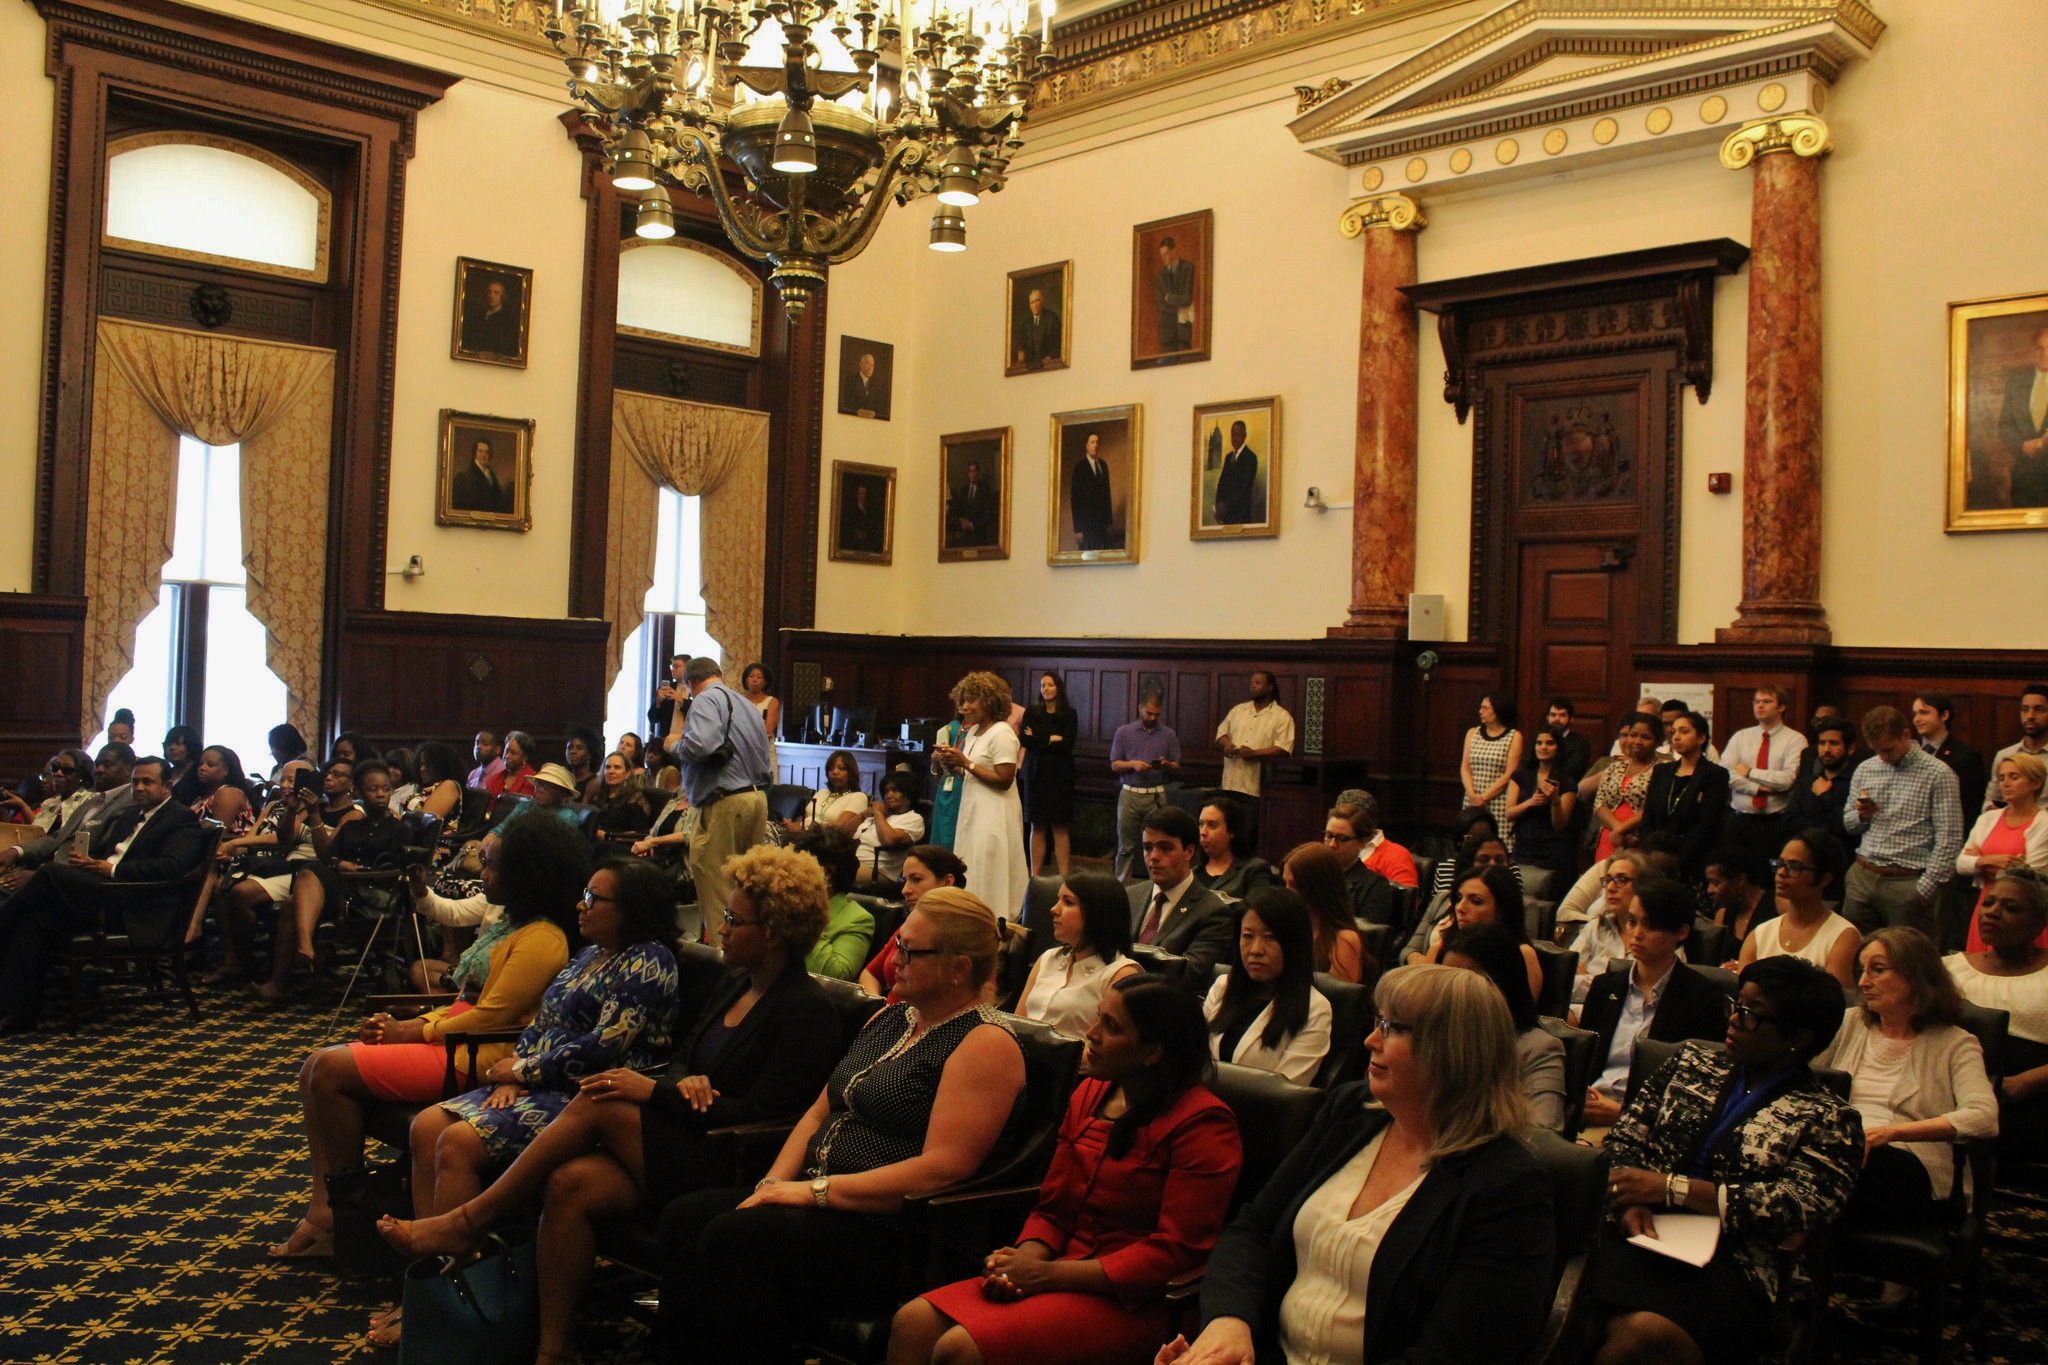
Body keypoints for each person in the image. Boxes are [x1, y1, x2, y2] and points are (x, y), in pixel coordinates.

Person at [378, 844, 843, 1364]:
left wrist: (663, 1091)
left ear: (775, 932)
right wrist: (685, 1082)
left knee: (601, 1096)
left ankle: (469, 1221)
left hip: (731, 1160)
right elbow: (684, 1058)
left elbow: (769, 1116)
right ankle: (553, 1348)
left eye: (736, 918)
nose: (724, 927)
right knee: (569, 1184)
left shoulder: (807, 1010)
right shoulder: (737, 982)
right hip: (682, 1133)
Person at [658, 889, 1028, 1365]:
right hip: (825, 1204)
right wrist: (774, 1182)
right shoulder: (894, 1018)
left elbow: (942, 1169)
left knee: (737, 1240)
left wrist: (808, 1193)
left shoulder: (985, 1043)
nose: (894, 963)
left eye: (909, 952)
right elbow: (818, 1111)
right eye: (897, 945)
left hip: (894, 1231)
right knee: (684, 1219)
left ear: (959, 968)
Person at [1164, 963, 1554, 1365]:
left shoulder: (1508, 1188)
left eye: (1393, 1028)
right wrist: (1229, 1324)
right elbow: (1253, 1231)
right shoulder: (1352, 1112)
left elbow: (1453, 1354)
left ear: (1455, 1050)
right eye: (1378, 1021)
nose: (1370, 1040)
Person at [267, 814, 582, 1261]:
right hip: (457, 1036)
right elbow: (464, 999)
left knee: (329, 1068)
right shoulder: (508, 924)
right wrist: (414, 1024)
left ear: (524, 875)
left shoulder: (543, 937)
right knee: (317, 1067)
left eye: (492, 866)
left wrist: (413, 1030)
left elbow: (492, 1017)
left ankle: (338, 1218)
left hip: (477, 1054)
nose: (482, 873)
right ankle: (330, 1211)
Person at [897, 976, 1240, 1365]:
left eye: (1110, 1027)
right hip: (1060, 1270)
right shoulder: (1091, 1092)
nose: (1090, 1034)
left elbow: (1175, 1252)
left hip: (1137, 1301)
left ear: (1153, 1051)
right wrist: (1019, 1266)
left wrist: (1044, 1276)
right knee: (913, 1323)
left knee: (960, 1349)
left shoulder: (1204, 1124)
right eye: (1098, 1019)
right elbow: (1053, 1208)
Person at [1587, 957, 1862, 1365]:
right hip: (1638, 1231)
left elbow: (1798, 1203)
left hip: (1736, 1266)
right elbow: (1626, 1137)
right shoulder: (1689, 1064)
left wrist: (1674, 1189)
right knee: (1566, 1304)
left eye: (1752, 1015)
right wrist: (1630, 1200)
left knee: (1640, 1336)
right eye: (1736, 1005)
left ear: (1799, 1037)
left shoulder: (1829, 1118)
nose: (1734, 1020)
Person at [402, 859, 681, 1258]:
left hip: (589, 1097)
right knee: (426, 1127)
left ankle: (460, 1290)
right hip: (541, 1081)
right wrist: (514, 1072)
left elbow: (605, 1045)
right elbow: (542, 1021)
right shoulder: (589, 954)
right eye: (584, 895)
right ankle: (430, 1283)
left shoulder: (650, 960)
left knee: (456, 1143)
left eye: (593, 898)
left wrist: (525, 1069)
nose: (581, 906)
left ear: (628, 908)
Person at [0, 757, 206, 1031]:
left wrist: (109, 870)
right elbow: (105, 852)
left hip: (135, 904)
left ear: (167, 785)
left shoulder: (180, 818)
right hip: (104, 892)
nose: (140, 788)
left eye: (147, 782)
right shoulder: (131, 815)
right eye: (135, 782)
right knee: (34, 917)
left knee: (50, 873)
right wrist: (87, 862)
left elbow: (172, 867)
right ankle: (17, 1013)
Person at [1814, 927, 1999, 1231]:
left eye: (1878, 970)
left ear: (1916, 976)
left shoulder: (1956, 1043)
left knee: (1868, 1160)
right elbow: (1806, 1082)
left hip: (1910, 1169)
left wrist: (1889, 1133)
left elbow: (1984, 1118)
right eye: (1862, 970)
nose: (1862, 982)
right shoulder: (1850, 1024)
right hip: (1839, 1152)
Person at [1577, 880, 1732, 1131]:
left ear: (1680, 932)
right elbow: (1584, 1062)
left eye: (1649, 925)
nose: (1636, 934)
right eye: (1632, 922)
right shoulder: (1605, 987)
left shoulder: (1703, 997)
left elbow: (1696, 1093)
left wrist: (1624, 1114)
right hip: (1588, 1110)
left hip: (1648, 1124)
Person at [1947, 867, 2048, 1168]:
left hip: (2034, 1098)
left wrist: (2026, 1082)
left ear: (2038, 924)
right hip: (1960, 1093)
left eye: (2011, 907)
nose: (1992, 912)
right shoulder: (1949, 970)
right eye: (1988, 903)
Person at [1843, 706, 1966, 940]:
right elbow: (1849, 824)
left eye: (1889, 749)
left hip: (1908, 880)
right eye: (1877, 751)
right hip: (1863, 874)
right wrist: (1861, 815)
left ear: (1906, 735)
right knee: (1858, 955)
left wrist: (1925, 889)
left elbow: (1950, 839)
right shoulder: (1867, 768)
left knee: (1909, 962)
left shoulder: (1939, 774)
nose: (1884, 757)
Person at [674, 656, 775, 924]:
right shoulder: (748, 705)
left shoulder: (705, 700)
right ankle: (745, 956)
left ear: (691, 682)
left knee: (718, 888)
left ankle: (724, 957)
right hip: (756, 798)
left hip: (725, 801)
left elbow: (701, 746)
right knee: (746, 888)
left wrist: (673, 745)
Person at [1439, 923, 1568, 1132]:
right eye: (1446, 980)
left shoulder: (1538, 1049)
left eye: (1469, 982)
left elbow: (1542, 1136)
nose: (1455, 993)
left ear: (1502, 984)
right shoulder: (1427, 1036)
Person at [1201, 888, 1332, 1084]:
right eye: (1248, 936)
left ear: (1294, 944)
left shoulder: (1315, 1009)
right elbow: (1195, 1060)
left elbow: (1285, 1094)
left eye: (1270, 937)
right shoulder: (1223, 987)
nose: (1256, 950)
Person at [934, 671, 1030, 920]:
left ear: (989, 701)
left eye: (970, 701)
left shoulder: (1002, 733)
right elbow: (972, 772)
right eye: (962, 701)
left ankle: (994, 921)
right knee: (972, 867)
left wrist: (966, 763)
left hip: (994, 815)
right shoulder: (975, 732)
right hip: (973, 812)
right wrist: (950, 762)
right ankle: (972, 917)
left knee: (990, 870)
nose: (964, 707)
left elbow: (1005, 778)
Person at [1017, 872, 1141, 1035]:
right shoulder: (1047, 959)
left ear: (1097, 912)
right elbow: (1016, 1021)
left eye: (1068, 902)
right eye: (1058, 900)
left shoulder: (1120, 974)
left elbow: (1109, 1047)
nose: (1054, 909)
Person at [1741, 829, 1861, 988]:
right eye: (1780, 864)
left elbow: (1837, 1004)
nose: (1781, 873)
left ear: (1824, 879)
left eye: (1794, 866)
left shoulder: (1843, 937)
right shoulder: (1760, 934)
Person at [1406, 865, 1541, 1003]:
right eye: (1459, 898)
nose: (1459, 908)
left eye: (1475, 901)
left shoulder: (1523, 953)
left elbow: (1519, 1019)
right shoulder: (1446, 944)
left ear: (1502, 910)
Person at [1126, 806, 1234, 978]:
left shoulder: (1213, 913)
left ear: (1189, 851)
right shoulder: (1129, 896)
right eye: (1147, 848)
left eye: (1165, 848)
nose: (1153, 856)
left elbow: (1190, 974)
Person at [1960, 752, 2048, 952]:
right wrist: (1987, 861)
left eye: (2014, 777)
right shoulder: (1988, 819)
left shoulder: (2044, 823)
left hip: (2020, 912)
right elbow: (1961, 864)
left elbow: (2030, 875)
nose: (2005, 783)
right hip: (1987, 905)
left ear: (2035, 783)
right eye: (2002, 778)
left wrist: (1980, 861)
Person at [859, 844, 963, 1000]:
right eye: (905, 880)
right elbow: (869, 974)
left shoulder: (968, 936)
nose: (905, 890)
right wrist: (877, 1006)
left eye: (916, 879)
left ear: (948, 882)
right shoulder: (909, 926)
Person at [1639, 710, 1729, 882]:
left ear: (1701, 738)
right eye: (1674, 732)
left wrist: (1676, 859)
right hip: (1655, 860)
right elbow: (1648, 817)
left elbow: (1707, 825)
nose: (1676, 737)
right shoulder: (1661, 771)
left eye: (1684, 731)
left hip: (1693, 862)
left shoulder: (1715, 775)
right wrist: (1652, 853)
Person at [0, 749, 101, 888]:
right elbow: (37, 837)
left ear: (81, 776)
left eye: (67, 770)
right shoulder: (50, 803)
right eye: (55, 768)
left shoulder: (91, 802)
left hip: (59, 872)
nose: (58, 774)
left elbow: (66, 847)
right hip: (28, 861)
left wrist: (37, 873)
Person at [1567, 848, 1658, 1002]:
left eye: (1621, 880)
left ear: (1644, 885)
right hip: (1581, 1007)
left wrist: (1589, 980)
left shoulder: (1660, 934)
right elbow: (1565, 977)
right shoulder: (1595, 927)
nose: (1610, 888)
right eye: (1608, 880)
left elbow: (1642, 992)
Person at [1109, 689, 1180, 881]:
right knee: (1126, 846)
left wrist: (1166, 765)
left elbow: (1176, 765)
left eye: (1156, 714)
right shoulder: (1124, 732)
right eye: (1149, 713)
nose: (1153, 717)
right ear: (1140, 708)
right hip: (1130, 793)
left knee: (1159, 844)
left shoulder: (1168, 734)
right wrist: (1132, 764)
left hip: (1156, 794)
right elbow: (1115, 764)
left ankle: (1156, 887)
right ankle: (1120, 889)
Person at [789, 827, 874, 981]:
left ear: (826, 873)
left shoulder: (858, 919)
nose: (789, 873)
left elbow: (835, 975)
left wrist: (807, 915)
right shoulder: (782, 904)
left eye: (798, 866)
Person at [1281, 842, 1371, 984]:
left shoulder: (1345, 940)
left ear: (1318, 888)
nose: (1286, 892)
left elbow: (1339, 1000)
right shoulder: (1286, 926)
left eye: (1294, 885)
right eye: (1285, 883)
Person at [1019, 672, 1078, 878]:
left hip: (1059, 776)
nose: (1045, 688)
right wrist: (1051, 739)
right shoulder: (1032, 713)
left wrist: (1039, 739)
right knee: (1037, 825)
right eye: (1043, 685)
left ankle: (1064, 876)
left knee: (1060, 827)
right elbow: (1025, 741)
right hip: (1035, 775)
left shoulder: (1069, 714)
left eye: (1050, 685)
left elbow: (1067, 744)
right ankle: (1035, 875)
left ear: (1058, 688)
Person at [1506, 726, 1577, 877]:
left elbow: (1560, 825)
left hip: (1553, 850)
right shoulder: (1520, 776)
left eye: (1549, 743)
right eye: (1539, 743)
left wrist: (1555, 801)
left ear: (1558, 747)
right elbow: (1509, 814)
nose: (1543, 747)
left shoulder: (1566, 781)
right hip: (1523, 846)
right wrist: (1530, 802)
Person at [1215, 671, 1294, 801]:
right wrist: (1228, 744)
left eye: (1258, 683)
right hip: (1230, 784)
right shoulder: (1238, 711)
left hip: (1256, 788)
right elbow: (1221, 734)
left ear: (1270, 687)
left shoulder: (1282, 716)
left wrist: (1255, 753)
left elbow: (1283, 748)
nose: (1252, 686)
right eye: (1251, 683)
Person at [1914, 690, 1987, 830]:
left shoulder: (1966, 757)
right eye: (1915, 713)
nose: (1917, 719)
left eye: (1924, 712)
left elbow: (1971, 808)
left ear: (1944, 715)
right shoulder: (1909, 753)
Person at [1459, 694, 1524, 847]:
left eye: (1485, 708)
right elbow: (1465, 768)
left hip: (1498, 801)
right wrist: (1473, 795)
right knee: (1471, 844)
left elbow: (1510, 773)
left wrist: (1484, 798)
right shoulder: (1472, 733)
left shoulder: (1514, 736)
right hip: (1472, 799)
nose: (1480, 711)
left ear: (1498, 711)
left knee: (1497, 844)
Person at [1322, 803, 1396, 928]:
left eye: (1343, 839)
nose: (1332, 844)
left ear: (1362, 842)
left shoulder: (1374, 886)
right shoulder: (1312, 873)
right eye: (1329, 836)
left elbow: (1368, 938)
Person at [1704, 844, 1777, 969]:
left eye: (1716, 883)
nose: (1709, 890)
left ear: (1740, 879)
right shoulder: (1722, 915)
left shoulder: (1776, 907)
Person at [1784, 715, 1856, 841]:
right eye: (1822, 743)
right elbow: (1789, 820)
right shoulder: (1807, 783)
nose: (1826, 750)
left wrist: (1824, 796)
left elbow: (1846, 825)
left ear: (1850, 749)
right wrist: (1822, 828)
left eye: (1834, 743)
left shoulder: (1856, 784)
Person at [1998, 324, 2048, 505]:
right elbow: (2004, 426)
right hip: (2025, 476)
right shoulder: (2016, 383)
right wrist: (2021, 446)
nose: (2044, 354)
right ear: (2033, 351)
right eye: (2040, 349)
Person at [1193, 798, 1272, 903]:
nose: (1203, 832)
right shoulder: (1191, 869)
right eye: (1201, 824)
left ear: (1232, 831)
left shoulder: (1254, 870)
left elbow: (1256, 910)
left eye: (1211, 825)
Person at [854, 771, 925, 885]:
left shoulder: (913, 819)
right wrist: (862, 815)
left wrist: (878, 813)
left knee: (827, 873)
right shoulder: (880, 816)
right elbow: (843, 833)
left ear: (908, 794)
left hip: (878, 872)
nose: (889, 795)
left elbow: (889, 840)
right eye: (886, 791)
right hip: (852, 862)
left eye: (895, 790)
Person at [1985, 684, 2048, 811]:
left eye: (2039, 709)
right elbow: (1991, 801)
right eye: (2025, 709)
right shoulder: (2005, 756)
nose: (2030, 716)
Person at [787, 749, 867, 836]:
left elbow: (840, 827)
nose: (835, 772)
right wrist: (791, 824)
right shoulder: (822, 792)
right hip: (800, 835)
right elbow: (804, 818)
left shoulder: (858, 797)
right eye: (831, 768)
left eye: (841, 768)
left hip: (823, 841)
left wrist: (802, 829)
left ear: (851, 772)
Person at [591, 750, 656, 843]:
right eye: (608, 767)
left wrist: (608, 836)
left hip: (620, 847)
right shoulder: (598, 796)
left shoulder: (635, 799)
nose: (611, 771)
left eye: (617, 767)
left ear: (627, 774)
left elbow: (640, 834)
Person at [1210, 420, 1263, 525]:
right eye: (1232, 435)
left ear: (1244, 436)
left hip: (1240, 516)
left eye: (1238, 435)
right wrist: (1218, 506)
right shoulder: (1228, 457)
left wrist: (1225, 506)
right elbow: (1221, 483)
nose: (1234, 438)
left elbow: (1244, 487)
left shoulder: (1251, 458)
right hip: (1225, 517)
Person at [1070, 431, 1115, 552]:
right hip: (1087, 527)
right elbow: (1075, 501)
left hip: (1103, 526)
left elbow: (1107, 495)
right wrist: (1078, 529)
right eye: (1092, 442)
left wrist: (1109, 523)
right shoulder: (1079, 468)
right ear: (1087, 445)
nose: (1095, 445)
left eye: (1097, 442)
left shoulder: (1103, 466)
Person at [451, 436, 516, 513]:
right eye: (480, 451)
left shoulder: (492, 477)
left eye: (486, 452)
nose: (483, 455)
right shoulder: (464, 478)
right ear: (475, 454)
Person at [1153, 235, 1195, 352]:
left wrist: (1169, 298)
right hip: (1167, 332)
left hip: (1183, 331)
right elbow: (1160, 303)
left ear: (1174, 251)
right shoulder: (1161, 275)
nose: (1163, 258)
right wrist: (1178, 303)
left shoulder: (1188, 268)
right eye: (1162, 255)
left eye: (1166, 254)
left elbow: (1187, 299)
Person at [739, 661, 781, 776]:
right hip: (742, 748)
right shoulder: (739, 700)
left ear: (765, 681)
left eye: (759, 677)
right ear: (746, 680)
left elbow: (768, 730)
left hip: (763, 748)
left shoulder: (772, 701)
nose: (754, 680)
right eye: (751, 676)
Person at [461, 276, 521, 355]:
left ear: (502, 296)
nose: (491, 295)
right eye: (489, 292)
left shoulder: (507, 320)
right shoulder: (479, 317)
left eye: (496, 293)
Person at [946, 459, 999, 548]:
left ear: (978, 472)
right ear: (968, 473)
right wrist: (961, 520)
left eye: (975, 471)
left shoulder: (985, 489)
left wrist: (972, 525)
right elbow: (960, 510)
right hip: (966, 537)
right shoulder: (964, 490)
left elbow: (988, 514)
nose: (973, 474)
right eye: (971, 471)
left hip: (979, 535)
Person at [1012, 286, 1062, 370]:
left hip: (1049, 365)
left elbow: (1059, 343)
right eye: (1032, 302)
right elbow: (1021, 344)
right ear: (1030, 306)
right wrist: (1020, 351)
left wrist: (1050, 356)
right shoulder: (1026, 324)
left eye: (1037, 301)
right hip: (1030, 368)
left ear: (1042, 301)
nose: (1035, 305)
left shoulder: (1052, 318)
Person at [1546, 697, 1593, 781]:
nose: (1557, 719)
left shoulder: (1581, 744)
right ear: (1547, 718)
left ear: (1571, 719)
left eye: (1562, 715)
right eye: (1553, 715)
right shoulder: (1539, 739)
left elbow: (1570, 772)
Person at [841, 348, 889, 418]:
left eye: (872, 365)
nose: (870, 368)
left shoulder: (875, 386)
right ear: (860, 364)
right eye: (868, 363)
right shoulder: (850, 381)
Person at [162, 725, 203, 805]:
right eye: (169, 744)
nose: (172, 748)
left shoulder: (199, 776)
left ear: (191, 747)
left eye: (178, 744)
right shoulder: (165, 773)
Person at [488, 731, 537, 798]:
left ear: (525, 757)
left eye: (513, 753)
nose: (507, 756)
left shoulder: (533, 781)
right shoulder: (494, 780)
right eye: (506, 751)